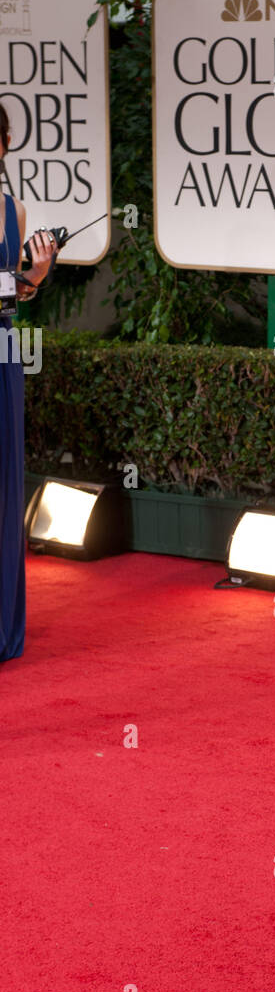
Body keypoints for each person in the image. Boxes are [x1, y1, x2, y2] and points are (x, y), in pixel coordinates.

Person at [0, 100, 58, 663]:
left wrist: (34, 276)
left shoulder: (13, 210)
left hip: (2, 355)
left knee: (3, 486)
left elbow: (13, 289)